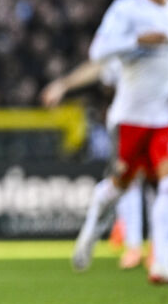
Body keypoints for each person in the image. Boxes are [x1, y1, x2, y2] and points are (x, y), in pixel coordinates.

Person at [71, 0, 168, 285]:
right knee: (122, 183)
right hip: (132, 115)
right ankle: (92, 226)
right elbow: (99, 51)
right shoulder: (125, 10)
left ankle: (162, 262)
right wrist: (140, 40)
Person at [41, 58, 149, 269]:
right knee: (129, 180)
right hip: (129, 119)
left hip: (164, 118)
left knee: (165, 179)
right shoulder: (126, 36)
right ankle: (133, 244)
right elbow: (99, 66)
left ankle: (157, 250)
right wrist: (62, 85)